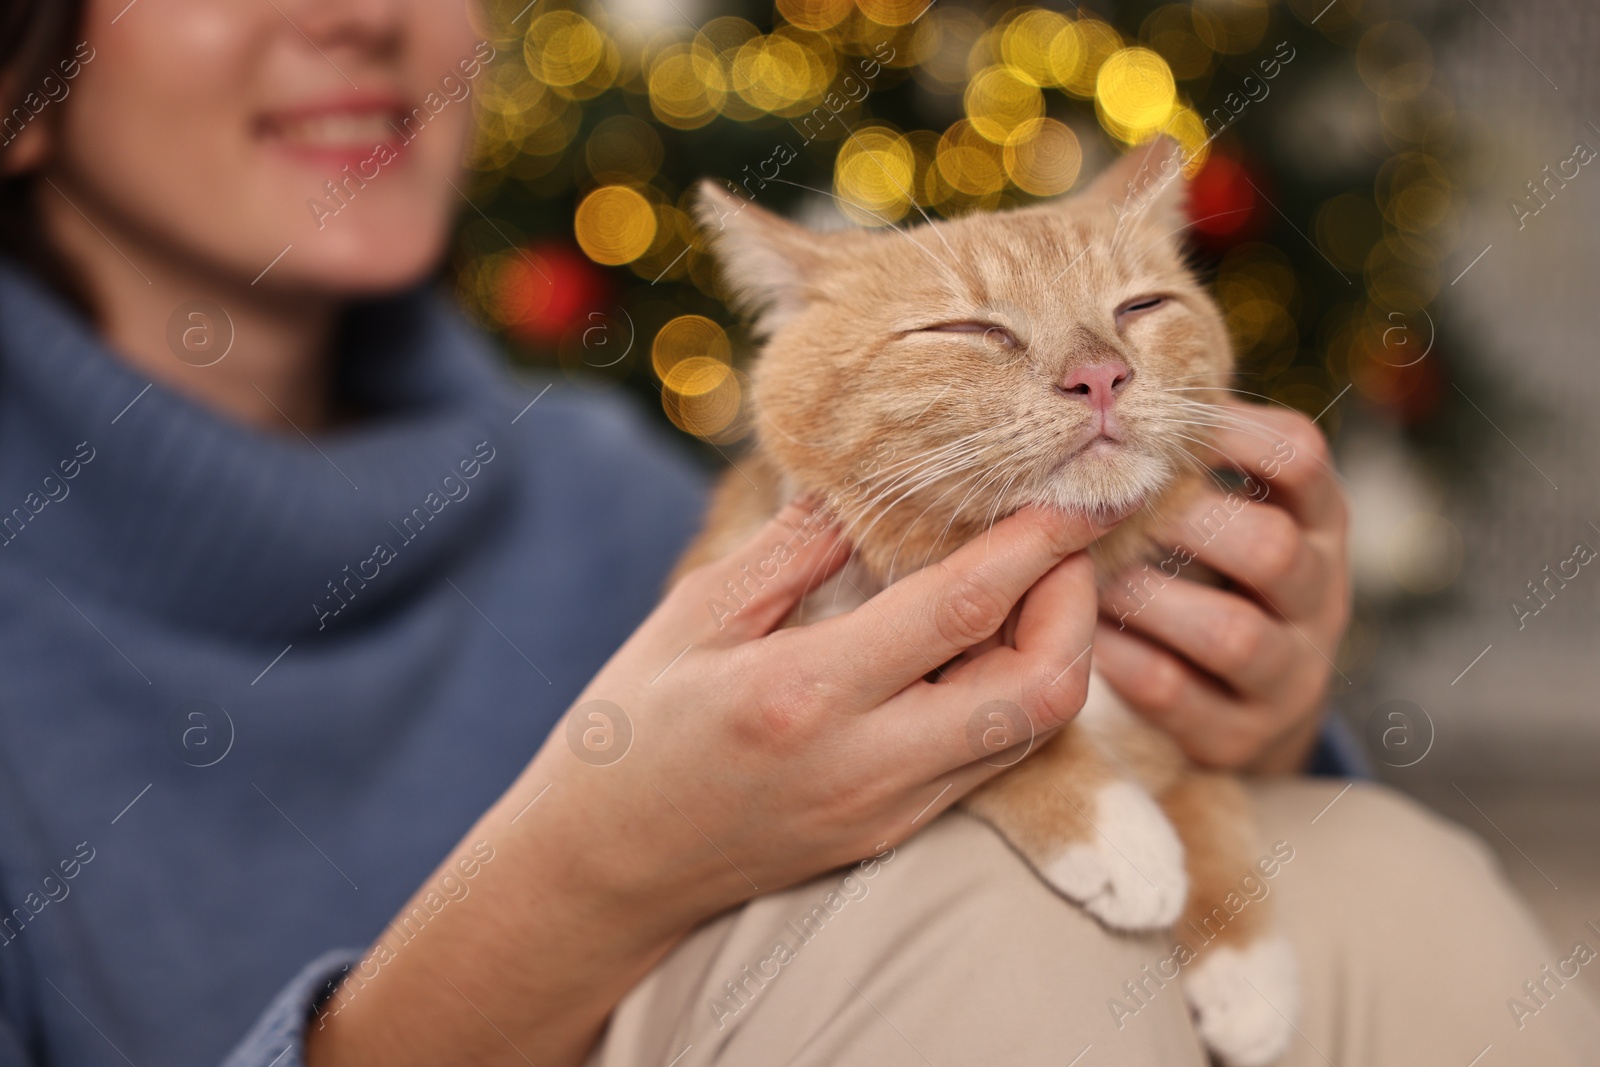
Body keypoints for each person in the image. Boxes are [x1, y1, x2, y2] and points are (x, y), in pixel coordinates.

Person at [0, 2, 1591, 1066]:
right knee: (977, 915)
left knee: (1391, 873)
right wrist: (578, 889)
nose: (363, 18)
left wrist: (1245, 722)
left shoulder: (600, 480)